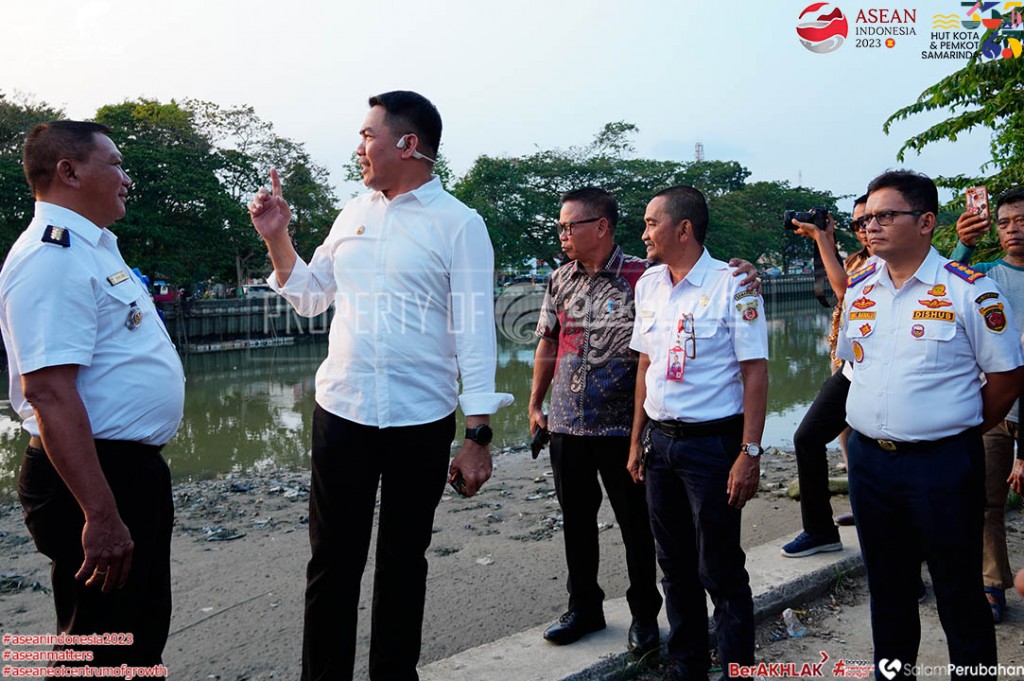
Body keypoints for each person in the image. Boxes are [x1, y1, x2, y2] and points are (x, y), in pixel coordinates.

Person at [248, 91, 511, 681]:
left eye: (368, 135)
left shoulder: (460, 224)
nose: (359, 146)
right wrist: (276, 237)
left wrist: (478, 434)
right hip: (341, 410)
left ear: (408, 144)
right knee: (332, 563)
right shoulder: (352, 214)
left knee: (402, 562)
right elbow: (312, 297)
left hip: (420, 419)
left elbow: (475, 334)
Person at [0, 121, 185, 665]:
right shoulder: (50, 257)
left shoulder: (94, 248)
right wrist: (100, 515)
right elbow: (50, 394)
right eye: (116, 164)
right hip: (92, 477)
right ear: (69, 171)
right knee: (99, 648)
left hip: (126, 470)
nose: (127, 178)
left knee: (138, 637)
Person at [837, 170, 1024, 679]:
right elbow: (853, 365)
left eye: (885, 216)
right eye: (867, 218)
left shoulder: (969, 290)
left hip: (942, 465)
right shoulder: (859, 289)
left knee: (958, 593)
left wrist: (955, 426)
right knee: (889, 591)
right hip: (872, 464)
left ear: (925, 222)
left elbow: (1006, 378)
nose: (871, 227)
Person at [627, 185, 769, 680]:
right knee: (674, 564)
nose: (643, 232)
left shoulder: (735, 284)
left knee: (721, 568)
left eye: (651, 222)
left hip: (713, 446)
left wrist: (749, 453)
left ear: (683, 228)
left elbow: (755, 372)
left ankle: (736, 669)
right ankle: (685, 664)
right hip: (660, 443)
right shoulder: (648, 285)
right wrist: (636, 441)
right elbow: (646, 364)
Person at [530, 187, 663, 654]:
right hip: (567, 425)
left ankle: (645, 612)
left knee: (635, 524)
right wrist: (535, 405)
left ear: (601, 226)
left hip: (623, 429)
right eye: (561, 227)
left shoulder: (646, 276)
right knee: (576, 522)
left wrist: (743, 273)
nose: (564, 235)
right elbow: (547, 343)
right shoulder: (559, 279)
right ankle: (584, 607)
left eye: (572, 226)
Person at [780, 196, 871, 557]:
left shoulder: (889, 263)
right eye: (859, 224)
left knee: (873, 452)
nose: (867, 229)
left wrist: (822, 240)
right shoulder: (859, 260)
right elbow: (839, 281)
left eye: (876, 219)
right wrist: (824, 239)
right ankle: (820, 529)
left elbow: (844, 290)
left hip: (881, 375)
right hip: (849, 368)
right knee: (808, 437)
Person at [951, 187, 1024, 624]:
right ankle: (992, 584)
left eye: (1022, 221)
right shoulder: (985, 274)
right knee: (985, 501)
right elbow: (942, 284)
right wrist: (964, 243)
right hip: (996, 407)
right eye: (1005, 222)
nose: (1014, 230)